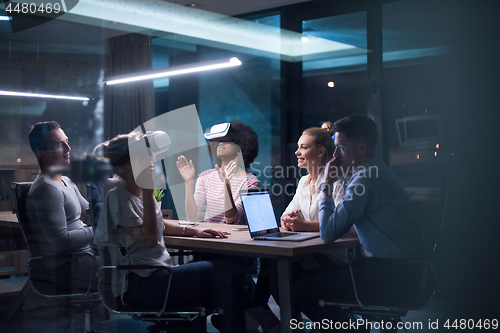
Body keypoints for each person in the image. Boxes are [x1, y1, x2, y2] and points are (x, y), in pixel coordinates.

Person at [94, 134, 279, 333]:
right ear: (125, 168)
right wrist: (149, 192)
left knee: (227, 287)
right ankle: (269, 323)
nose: (150, 159)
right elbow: (148, 238)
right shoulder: (119, 197)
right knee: (225, 271)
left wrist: (193, 231)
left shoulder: (138, 192)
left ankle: (248, 325)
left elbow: (158, 222)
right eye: (142, 156)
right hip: (140, 284)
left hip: (159, 274)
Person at [291, 115, 424, 331]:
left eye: (340, 148)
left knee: (299, 289)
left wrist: (327, 185)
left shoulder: (365, 179)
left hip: (390, 275)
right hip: (404, 271)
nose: (335, 155)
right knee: (305, 276)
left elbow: (328, 233)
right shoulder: (374, 172)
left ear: (361, 148)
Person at [26, 121, 99, 293]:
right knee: (125, 265)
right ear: (42, 154)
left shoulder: (66, 181)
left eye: (67, 141)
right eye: (60, 144)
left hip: (84, 257)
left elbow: (91, 213)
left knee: (129, 256)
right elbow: (61, 241)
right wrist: (99, 229)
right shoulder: (46, 189)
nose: (68, 148)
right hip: (69, 266)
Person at [176, 120, 259, 224]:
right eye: (217, 141)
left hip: (234, 239)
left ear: (239, 147)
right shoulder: (205, 176)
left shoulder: (250, 181)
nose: (220, 144)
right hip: (208, 235)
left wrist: (226, 184)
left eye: (225, 140)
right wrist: (188, 183)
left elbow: (232, 218)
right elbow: (192, 217)